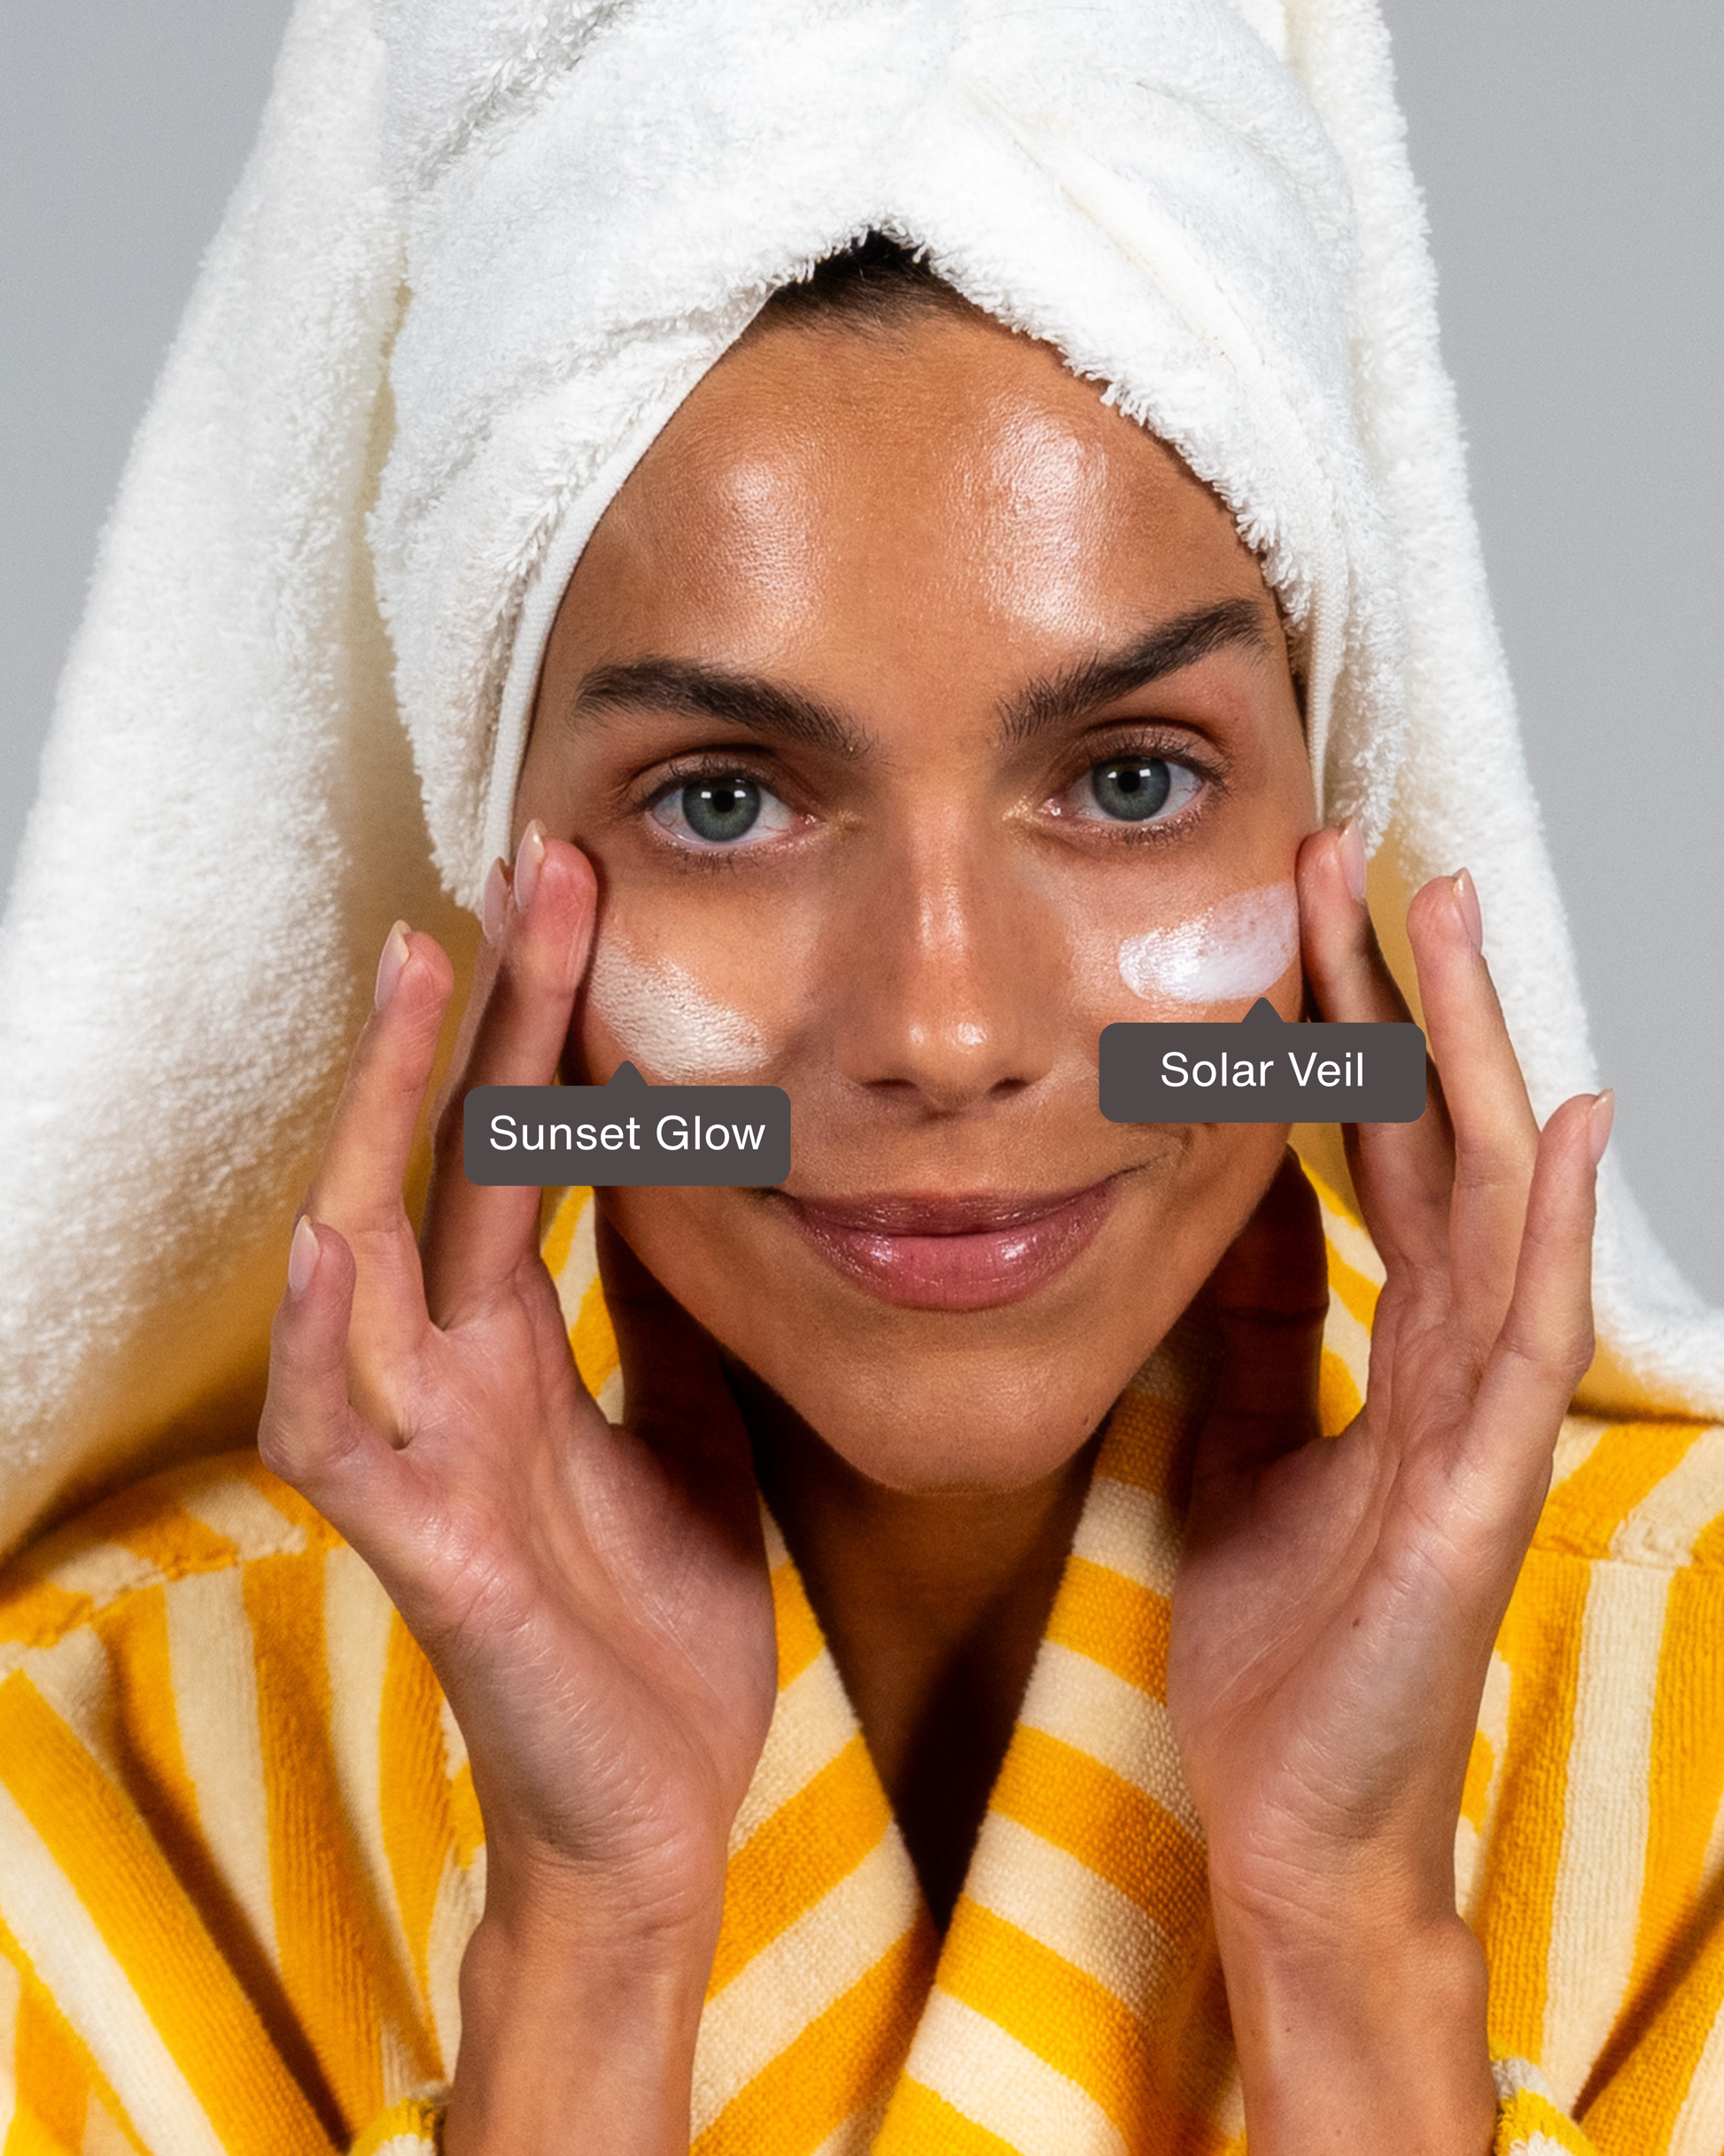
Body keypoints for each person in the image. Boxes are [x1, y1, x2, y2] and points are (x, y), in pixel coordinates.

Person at [1, 8, 1721, 2156]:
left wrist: (1353, 1944)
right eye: (725, 800)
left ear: (1336, 834)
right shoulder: (76, 1800)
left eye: (1127, 779)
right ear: (494, 879)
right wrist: (589, 1949)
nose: (942, 1027)